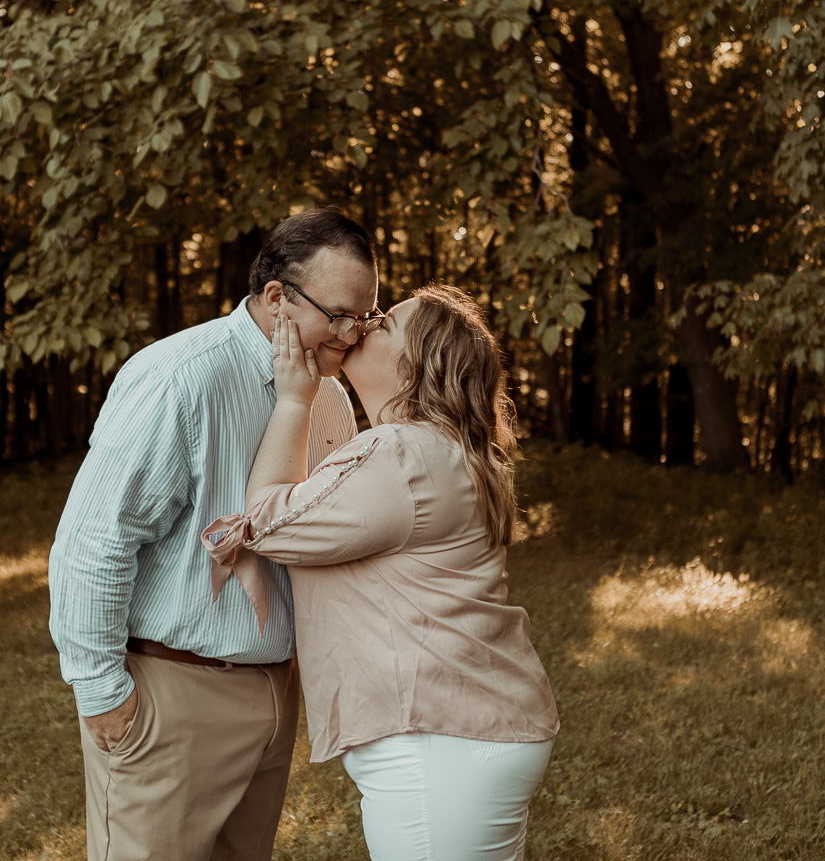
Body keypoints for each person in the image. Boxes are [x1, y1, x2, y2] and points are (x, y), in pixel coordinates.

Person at [47, 208, 385, 861]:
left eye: (364, 317)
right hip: (171, 694)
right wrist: (100, 692)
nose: (351, 336)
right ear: (277, 297)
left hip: (273, 695)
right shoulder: (179, 378)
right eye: (338, 315)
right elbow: (94, 542)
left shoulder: (330, 400)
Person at [203, 285, 559, 861]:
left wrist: (295, 399)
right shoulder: (443, 450)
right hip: (474, 725)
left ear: (419, 366)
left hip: (439, 740)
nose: (364, 326)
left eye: (385, 323)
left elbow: (268, 524)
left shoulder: (400, 454)